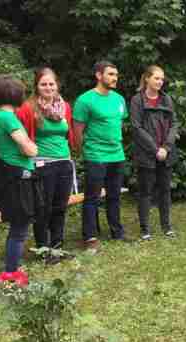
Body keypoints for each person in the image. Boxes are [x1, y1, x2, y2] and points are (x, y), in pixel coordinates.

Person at [15, 67, 75, 256]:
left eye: (51, 83)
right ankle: (43, 249)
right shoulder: (28, 107)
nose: (48, 87)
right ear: (37, 86)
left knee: (60, 206)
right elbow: (20, 137)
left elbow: (67, 133)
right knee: (43, 208)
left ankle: (57, 247)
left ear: (56, 85)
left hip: (64, 162)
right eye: (43, 84)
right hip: (41, 164)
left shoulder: (64, 107)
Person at [73, 61, 129, 249]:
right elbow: (77, 130)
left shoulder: (119, 99)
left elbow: (118, 124)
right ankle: (90, 237)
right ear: (98, 75)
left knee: (114, 195)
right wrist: (82, 151)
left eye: (116, 75)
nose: (115, 78)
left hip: (117, 154)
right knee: (92, 197)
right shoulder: (85, 100)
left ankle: (117, 232)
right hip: (95, 154)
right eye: (111, 74)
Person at [0, 75, 39, 284]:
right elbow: (28, 148)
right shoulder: (8, 118)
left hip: (14, 175)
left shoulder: (1, 115)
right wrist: (32, 148)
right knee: (19, 227)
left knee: (18, 226)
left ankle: (11, 269)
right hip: (18, 177)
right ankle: (11, 272)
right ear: (15, 94)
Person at [130, 65, 178, 241]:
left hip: (166, 154)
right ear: (147, 79)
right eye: (156, 78)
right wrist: (154, 149)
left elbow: (174, 124)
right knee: (145, 192)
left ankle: (166, 226)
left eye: (162, 78)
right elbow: (136, 127)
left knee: (165, 190)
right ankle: (145, 229)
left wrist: (166, 147)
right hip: (146, 155)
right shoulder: (137, 100)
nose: (160, 81)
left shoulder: (167, 100)